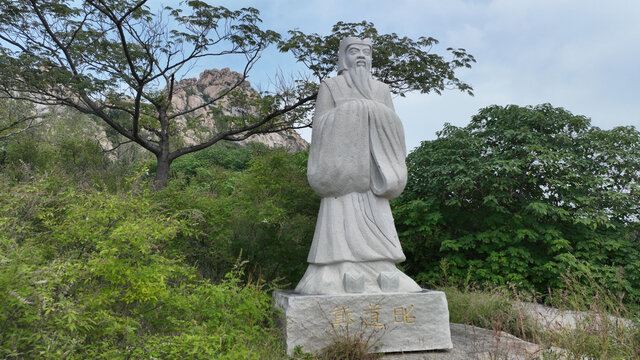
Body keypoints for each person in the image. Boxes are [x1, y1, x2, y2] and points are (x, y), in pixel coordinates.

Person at [295, 37, 422, 294]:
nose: (361, 56)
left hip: (374, 170)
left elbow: (395, 126)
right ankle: (339, 266)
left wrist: (372, 112)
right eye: (354, 51)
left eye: (366, 52)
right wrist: (351, 112)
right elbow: (320, 127)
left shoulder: (381, 90)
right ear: (343, 57)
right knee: (339, 212)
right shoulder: (331, 87)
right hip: (343, 172)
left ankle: (384, 266)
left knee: (379, 215)